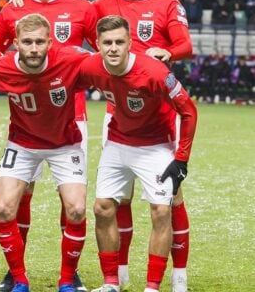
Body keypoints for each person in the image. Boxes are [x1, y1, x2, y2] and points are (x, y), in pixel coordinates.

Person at [0, 0, 97, 289]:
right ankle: (15, 272)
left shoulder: (82, 8)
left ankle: (71, 274)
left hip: (70, 118)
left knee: (72, 205)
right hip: (26, 121)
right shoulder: (12, 10)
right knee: (18, 198)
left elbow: (103, 54)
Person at [91, 0, 193, 290]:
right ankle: (117, 277)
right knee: (117, 199)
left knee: (169, 200)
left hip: (161, 118)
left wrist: (168, 50)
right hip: (115, 115)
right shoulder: (102, 5)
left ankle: (178, 277)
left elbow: (186, 46)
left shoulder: (167, 4)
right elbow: (75, 29)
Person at [77, 15, 197, 292]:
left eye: (120, 41)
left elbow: (189, 110)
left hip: (156, 146)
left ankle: (152, 286)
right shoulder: (91, 66)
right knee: (102, 208)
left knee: (160, 211)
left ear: (131, 43)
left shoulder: (154, 72)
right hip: (118, 143)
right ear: (98, 44)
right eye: (107, 42)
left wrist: (181, 157)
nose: (113, 48)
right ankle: (111, 283)